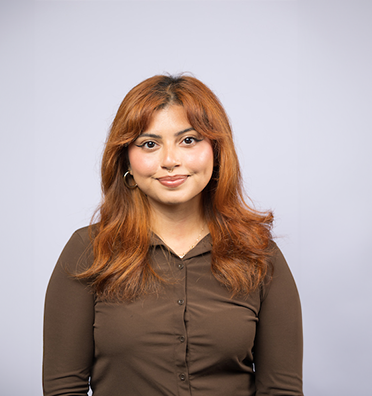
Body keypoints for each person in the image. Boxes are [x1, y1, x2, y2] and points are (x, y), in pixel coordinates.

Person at [43, 74, 303, 396]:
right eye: (149, 144)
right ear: (126, 159)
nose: (170, 161)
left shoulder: (259, 254)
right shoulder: (89, 249)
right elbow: (64, 387)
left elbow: (282, 390)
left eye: (189, 140)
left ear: (216, 151)